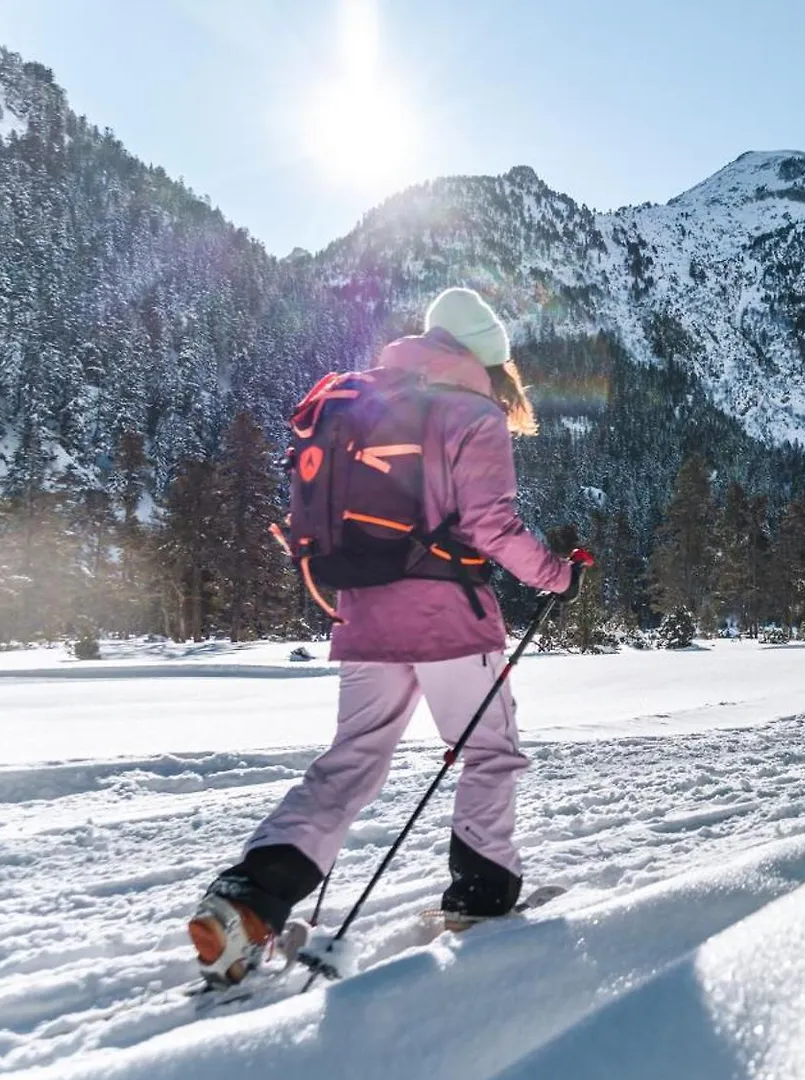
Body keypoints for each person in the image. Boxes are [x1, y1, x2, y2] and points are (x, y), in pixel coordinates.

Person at [187, 287, 581, 986]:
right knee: (488, 752)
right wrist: (555, 575)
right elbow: (491, 527)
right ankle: (481, 898)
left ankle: (250, 900)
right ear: (486, 358)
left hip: (362, 610)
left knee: (349, 764)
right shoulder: (473, 412)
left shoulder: (365, 401)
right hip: (450, 617)